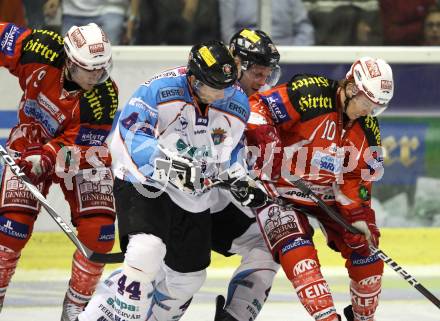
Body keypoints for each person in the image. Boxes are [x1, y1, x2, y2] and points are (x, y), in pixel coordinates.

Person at [76, 40, 255, 321]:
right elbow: (132, 134)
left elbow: (230, 150)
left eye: (227, 85)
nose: (222, 94)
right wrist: (170, 163)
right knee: (147, 250)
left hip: (192, 194)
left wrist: (239, 177)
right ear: (193, 79)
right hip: (145, 178)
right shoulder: (159, 89)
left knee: (189, 278)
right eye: (215, 86)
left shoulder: (235, 100)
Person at [242, 57, 394, 321]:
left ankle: (364, 318)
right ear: (350, 87)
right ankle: (327, 318)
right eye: (367, 104)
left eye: (376, 108)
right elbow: (258, 106)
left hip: (325, 196)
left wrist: (357, 217)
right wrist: (265, 138)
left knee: (368, 254)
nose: (369, 112)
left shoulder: (367, 126)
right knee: (299, 253)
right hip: (278, 189)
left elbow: (356, 179)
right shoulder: (309, 94)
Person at [0, 22, 118, 321]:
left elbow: (77, 149)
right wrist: (35, 153)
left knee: (100, 233)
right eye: (89, 69)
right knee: (10, 229)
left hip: (81, 155)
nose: (97, 77)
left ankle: (76, 311)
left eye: (102, 69)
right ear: (68, 60)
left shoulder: (103, 97)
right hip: (29, 140)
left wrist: (47, 157)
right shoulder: (38, 47)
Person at [210, 28, 282, 321]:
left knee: (276, 239)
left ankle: (236, 317)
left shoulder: (260, 106)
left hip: (219, 207)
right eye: (256, 73)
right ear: (236, 62)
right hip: (181, 205)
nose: (262, 81)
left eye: (268, 74)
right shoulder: (209, 91)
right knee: (175, 282)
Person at [219, 0, 315, 45]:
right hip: (248, 53)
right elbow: (228, 32)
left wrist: (293, 52)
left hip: (287, 51)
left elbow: (305, 29)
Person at [44, 0, 140, 45]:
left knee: (111, 54)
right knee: (68, 55)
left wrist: (132, 17)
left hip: (110, 9)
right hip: (73, 10)